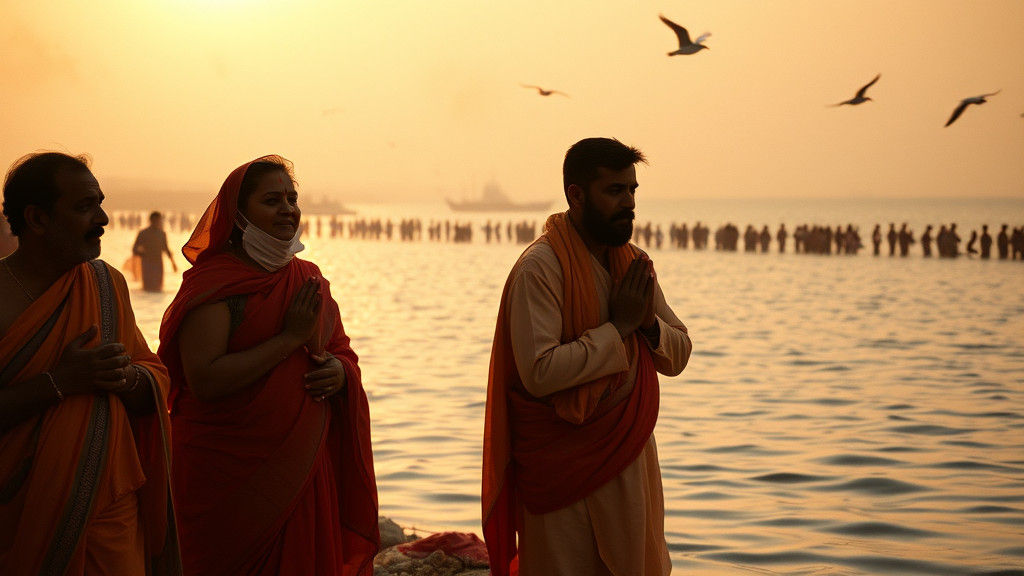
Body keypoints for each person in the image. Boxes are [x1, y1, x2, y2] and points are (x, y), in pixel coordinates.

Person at [157, 155, 378, 576]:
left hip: (301, 466)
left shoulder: (309, 278)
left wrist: (339, 373)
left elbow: (340, 352)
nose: (288, 210)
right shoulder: (216, 283)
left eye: (292, 199)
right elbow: (204, 380)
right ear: (238, 215)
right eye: (272, 200)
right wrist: (289, 340)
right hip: (223, 471)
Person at [482, 138, 692, 576]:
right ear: (576, 195)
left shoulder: (633, 265)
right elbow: (539, 372)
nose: (629, 202)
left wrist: (647, 324)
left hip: (629, 464)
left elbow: (678, 353)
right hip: (560, 472)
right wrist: (619, 328)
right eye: (614, 191)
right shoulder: (539, 269)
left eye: (632, 190)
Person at [0, 152, 179, 575]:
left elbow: (153, 377)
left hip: (109, 511)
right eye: (84, 207)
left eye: (100, 203)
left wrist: (125, 377)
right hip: (18, 517)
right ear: (37, 218)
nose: (103, 219)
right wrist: (60, 382)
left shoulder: (105, 284)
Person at [132, 211, 178, 292]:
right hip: (147, 264)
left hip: (157, 264)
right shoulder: (144, 233)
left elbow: (166, 249)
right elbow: (134, 249)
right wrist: (144, 254)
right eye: (157, 220)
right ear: (151, 220)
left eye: (158, 220)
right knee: (148, 288)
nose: (158, 222)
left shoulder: (161, 234)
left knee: (157, 288)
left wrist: (173, 263)